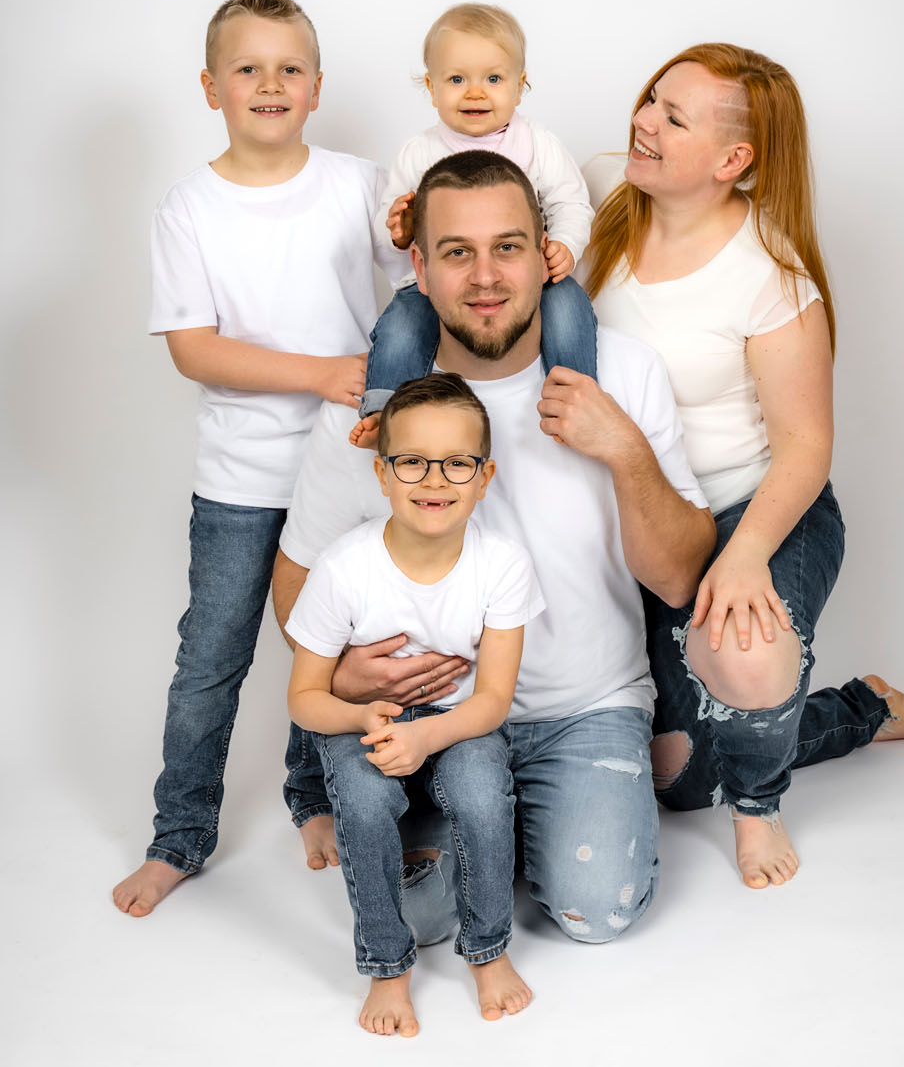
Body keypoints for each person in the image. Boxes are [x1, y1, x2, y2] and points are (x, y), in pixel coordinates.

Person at [270, 149, 717, 943]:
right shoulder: (373, 413)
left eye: (507, 247)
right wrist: (340, 674)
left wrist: (623, 449)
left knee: (597, 911)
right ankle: (486, 828)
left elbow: (681, 580)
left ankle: (524, 824)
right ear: (419, 267)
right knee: (416, 919)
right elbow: (297, 576)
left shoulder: (621, 370)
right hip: (431, 719)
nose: (485, 276)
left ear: (545, 253)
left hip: (584, 708)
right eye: (456, 252)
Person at [584, 42, 904, 890]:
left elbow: (805, 446)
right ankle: (854, 709)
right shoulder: (603, 194)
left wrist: (747, 553)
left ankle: (765, 800)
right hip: (644, 523)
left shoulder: (769, 274)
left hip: (753, 511)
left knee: (742, 666)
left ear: (732, 161)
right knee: (673, 777)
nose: (642, 121)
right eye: (651, 98)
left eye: (672, 117)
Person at [112, 0, 406, 918]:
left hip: (350, 468)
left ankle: (312, 797)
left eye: (289, 69)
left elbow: (419, 283)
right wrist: (321, 372)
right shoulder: (188, 208)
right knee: (212, 660)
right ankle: (179, 836)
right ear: (211, 87)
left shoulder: (360, 185)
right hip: (241, 479)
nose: (270, 85)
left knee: (335, 651)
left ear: (318, 86)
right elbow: (195, 349)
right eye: (248, 69)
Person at [287, 373, 544, 1035]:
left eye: (457, 463)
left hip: (457, 721)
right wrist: (360, 716)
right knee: (365, 800)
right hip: (365, 719)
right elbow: (305, 698)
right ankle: (386, 967)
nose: (434, 480)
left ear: (484, 477)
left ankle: (489, 951)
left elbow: (493, 700)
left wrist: (429, 737)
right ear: (382, 474)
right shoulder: (343, 568)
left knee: (482, 795)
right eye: (412, 462)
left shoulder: (502, 564)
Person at [353, 3, 596, 435]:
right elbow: (387, 221)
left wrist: (565, 246)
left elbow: (571, 203)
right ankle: (386, 410)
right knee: (402, 325)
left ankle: (575, 399)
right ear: (431, 88)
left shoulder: (537, 143)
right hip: (439, 282)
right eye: (457, 79)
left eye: (494, 79)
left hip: (532, 274)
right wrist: (399, 230)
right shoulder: (419, 152)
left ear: (520, 87)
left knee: (569, 308)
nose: (475, 93)